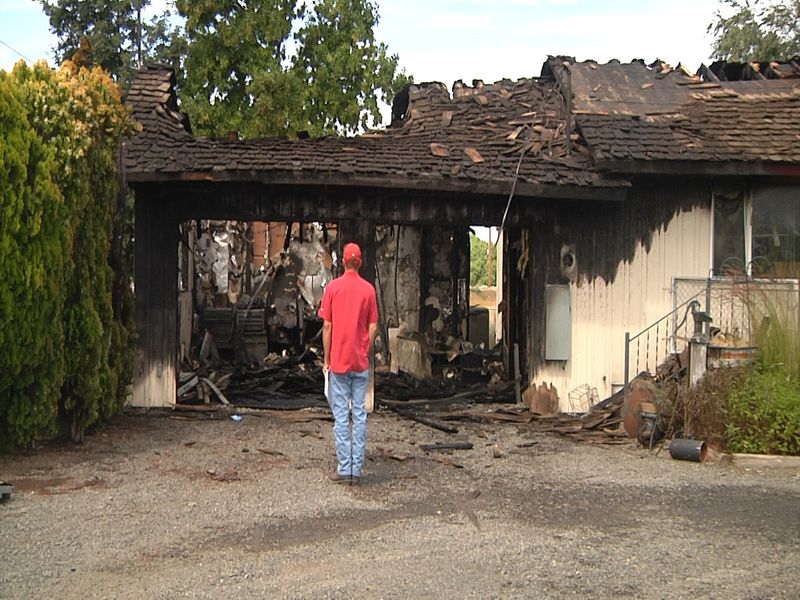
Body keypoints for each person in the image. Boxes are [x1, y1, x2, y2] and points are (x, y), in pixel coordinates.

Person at [318, 242, 378, 485]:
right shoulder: (369, 290)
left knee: (341, 416)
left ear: (343, 262)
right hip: (360, 362)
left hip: (340, 362)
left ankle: (345, 469)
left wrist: (327, 359)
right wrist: (365, 348)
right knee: (360, 416)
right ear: (360, 262)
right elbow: (373, 326)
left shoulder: (332, 288)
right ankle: (357, 469)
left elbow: (327, 326)